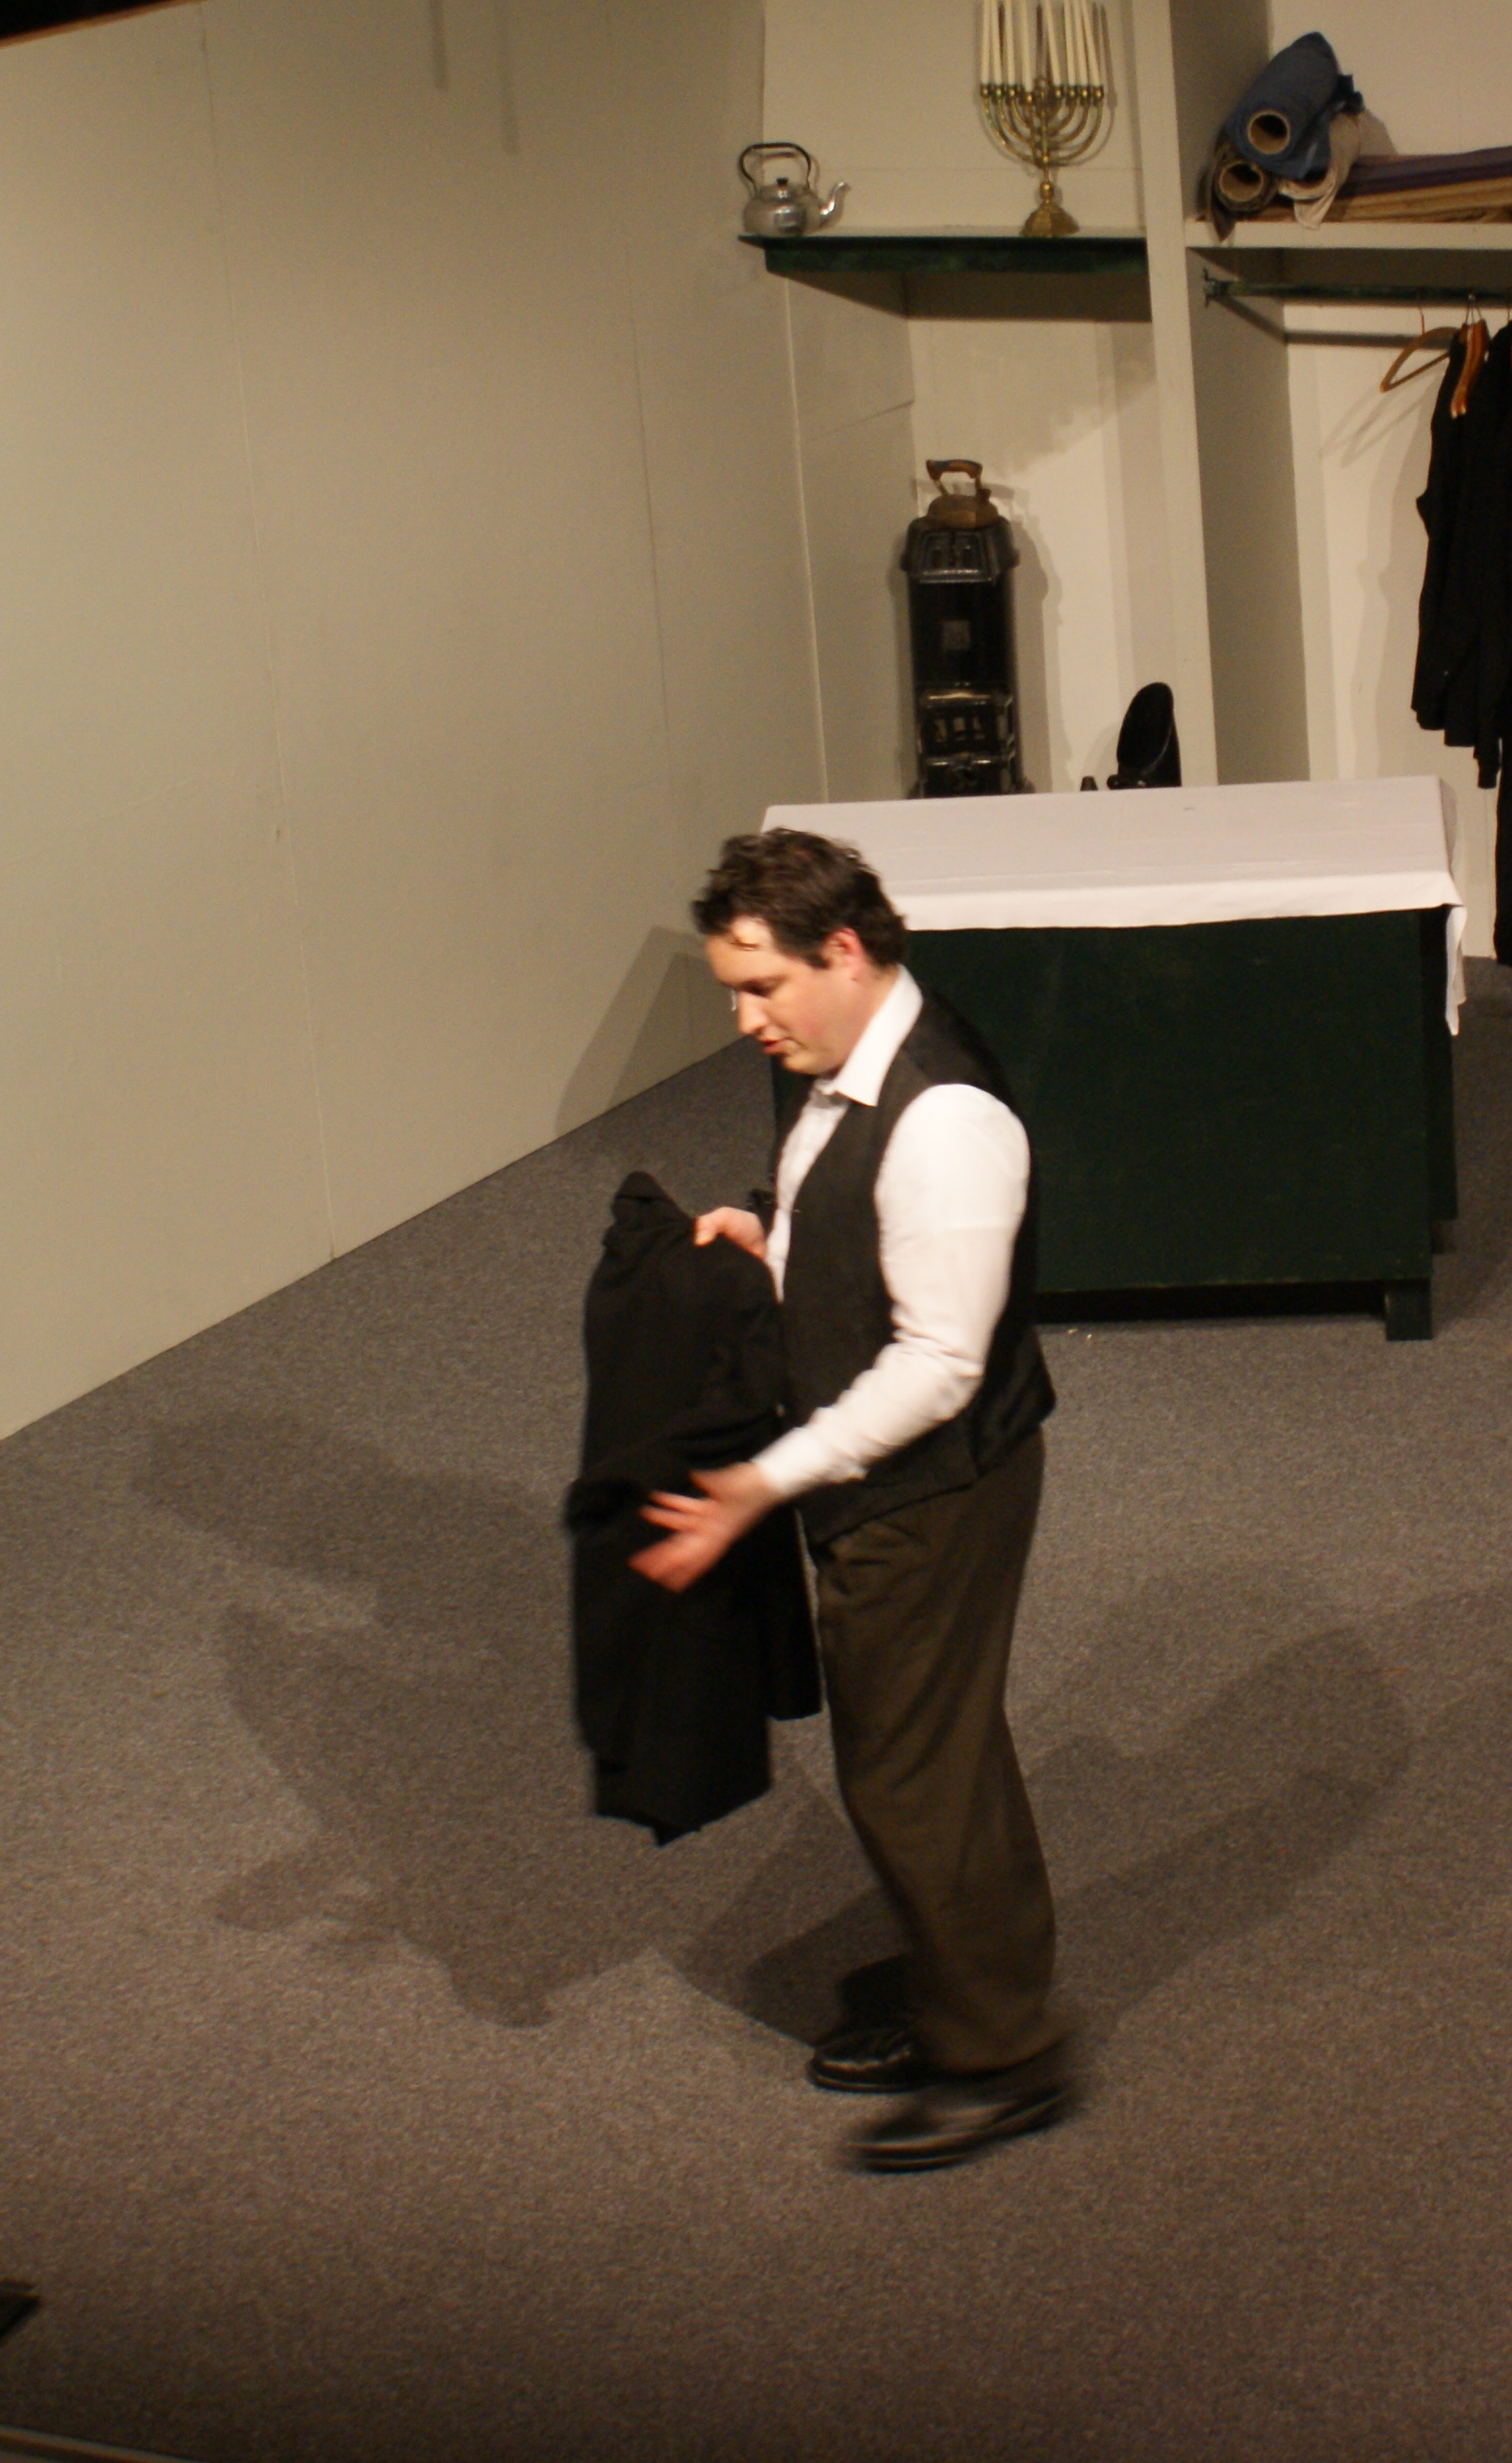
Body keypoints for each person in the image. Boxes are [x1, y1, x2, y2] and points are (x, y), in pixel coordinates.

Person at [635, 829, 1071, 2172]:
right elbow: (850, 1212)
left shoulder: (944, 1121)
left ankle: (1000, 2056)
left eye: (760, 987)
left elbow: (939, 1367)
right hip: (892, 1481)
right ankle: (967, 1975)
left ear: (842, 949)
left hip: (930, 1494)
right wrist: (769, 1235)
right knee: (937, 1751)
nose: (744, 1020)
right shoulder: (849, 1058)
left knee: (908, 1775)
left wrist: (759, 1484)